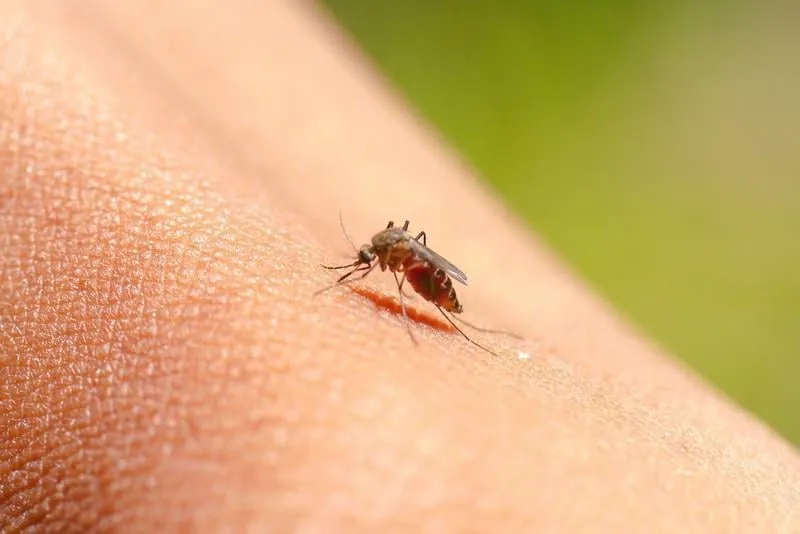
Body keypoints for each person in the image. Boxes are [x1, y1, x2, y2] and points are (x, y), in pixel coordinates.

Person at [1, 2, 798, 531]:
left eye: (372, 259)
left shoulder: (401, 264)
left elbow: (405, 261)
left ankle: (469, 334)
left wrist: (415, 293)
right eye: (375, 259)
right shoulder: (383, 251)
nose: (371, 264)